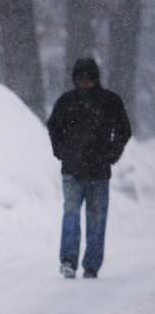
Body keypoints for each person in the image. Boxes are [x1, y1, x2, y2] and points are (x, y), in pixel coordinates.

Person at [47, 57, 131, 279]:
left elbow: (124, 130)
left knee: (95, 219)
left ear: (95, 78)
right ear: (74, 79)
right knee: (71, 215)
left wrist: (112, 154)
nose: (84, 83)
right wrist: (61, 152)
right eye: (80, 79)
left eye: (88, 79)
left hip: (98, 172)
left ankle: (91, 265)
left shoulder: (110, 101)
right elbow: (53, 127)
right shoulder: (67, 102)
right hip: (73, 170)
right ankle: (69, 261)